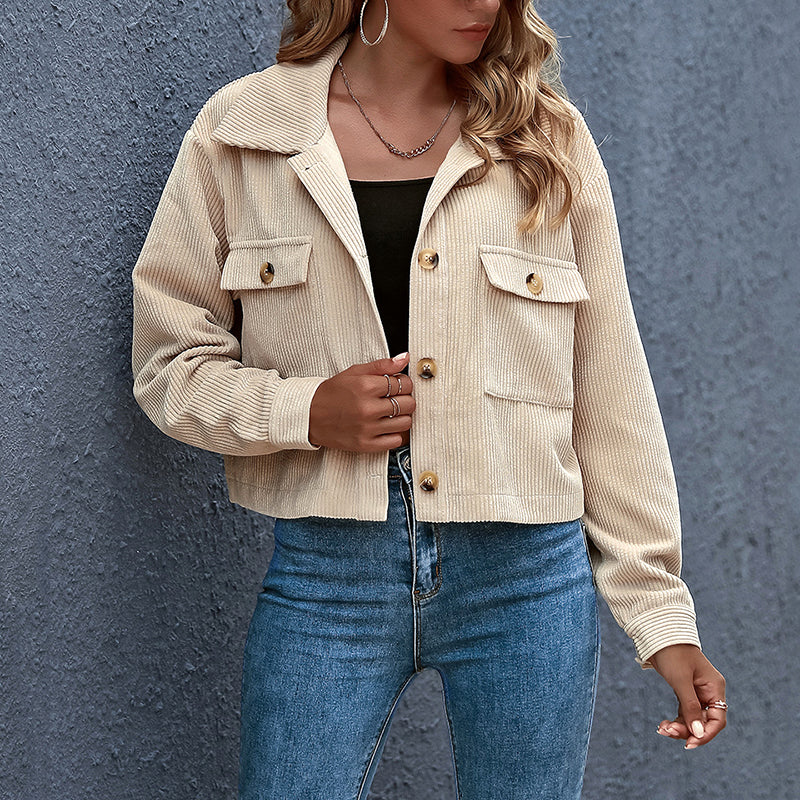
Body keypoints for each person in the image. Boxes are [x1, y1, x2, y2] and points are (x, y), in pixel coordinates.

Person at [131, 0, 727, 797]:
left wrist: (661, 618)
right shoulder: (244, 131)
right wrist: (305, 411)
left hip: (526, 578)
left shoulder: (546, 138)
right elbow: (168, 364)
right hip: (328, 576)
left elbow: (609, 388)